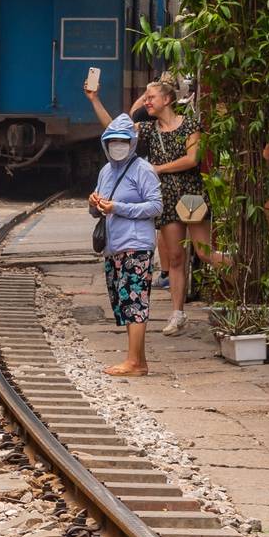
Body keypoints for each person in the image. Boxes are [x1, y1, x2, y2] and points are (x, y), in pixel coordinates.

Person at [86, 74, 212, 335]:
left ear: (167, 99)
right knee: (176, 257)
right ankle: (178, 314)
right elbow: (114, 130)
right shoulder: (148, 129)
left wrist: (158, 168)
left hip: (190, 194)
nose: (146, 101)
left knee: (204, 252)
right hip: (166, 197)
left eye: (151, 96)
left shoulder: (189, 124)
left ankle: (244, 272)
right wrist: (94, 99)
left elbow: (192, 159)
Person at [91, 115, 163, 378]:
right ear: (105, 144)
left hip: (136, 244)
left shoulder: (143, 170)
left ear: (132, 143)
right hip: (114, 245)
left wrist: (118, 208)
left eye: (122, 141)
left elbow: (156, 206)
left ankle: (134, 362)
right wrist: (95, 203)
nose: (117, 146)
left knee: (134, 300)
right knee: (124, 301)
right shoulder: (106, 172)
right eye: (112, 142)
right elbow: (99, 210)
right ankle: (139, 361)